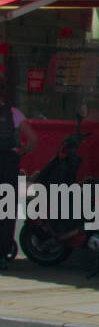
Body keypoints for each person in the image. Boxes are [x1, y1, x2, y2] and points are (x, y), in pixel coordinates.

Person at [0, 85, 36, 270]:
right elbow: (33, 138)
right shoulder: (13, 113)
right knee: (6, 209)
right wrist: (22, 151)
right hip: (8, 164)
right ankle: (2, 252)